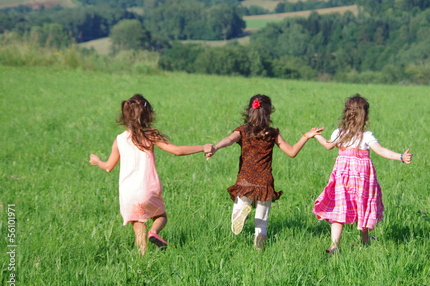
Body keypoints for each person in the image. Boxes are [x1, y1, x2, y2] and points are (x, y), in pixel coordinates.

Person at [89, 94, 212, 255]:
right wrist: (203, 146)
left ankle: (143, 259)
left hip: (128, 193)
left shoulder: (119, 140)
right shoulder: (150, 136)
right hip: (148, 189)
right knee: (161, 216)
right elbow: (177, 151)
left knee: (138, 226)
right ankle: (154, 232)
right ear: (148, 114)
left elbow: (108, 166)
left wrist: (97, 161)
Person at [206, 94, 323, 250]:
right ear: (269, 112)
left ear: (249, 111)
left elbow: (229, 139)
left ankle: (241, 214)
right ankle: (258, 249)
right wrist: (306, 136)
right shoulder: (272, 133)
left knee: (237, 215)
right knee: (262, 221)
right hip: (264, 182)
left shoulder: (243, 130)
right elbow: (292, 152)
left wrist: (216, 147)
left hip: (245, 180)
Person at [312, 94, 412, 254]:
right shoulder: (366, 135)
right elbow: (380, 151)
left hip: (342, 178)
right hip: (362, 179)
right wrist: (400, 156)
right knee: (363, 206)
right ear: (364, 115)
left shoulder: (339, 133)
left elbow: (328, 146)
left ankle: (334, 245)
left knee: (340, 208)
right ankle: (364, 241)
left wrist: (316, 135)